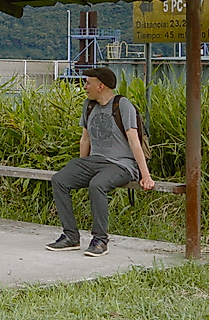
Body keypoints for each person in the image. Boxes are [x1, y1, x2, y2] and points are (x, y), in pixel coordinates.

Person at [45, 67, 154, 257]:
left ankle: (100, 240)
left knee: (97, 185)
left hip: (122, 164)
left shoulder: (122, 105)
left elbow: (134, 141)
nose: (85, 87)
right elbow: (85, 140)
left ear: (101, 86)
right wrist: (81, 167)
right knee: (59, 180)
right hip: (95, 161)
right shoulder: (89, 105)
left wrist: (145, 175)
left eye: (88, 83)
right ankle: (70, 236)